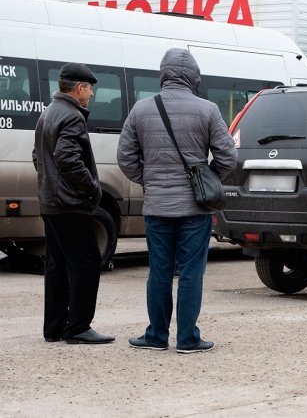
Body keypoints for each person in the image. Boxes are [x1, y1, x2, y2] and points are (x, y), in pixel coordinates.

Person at [117, 48, 237, 354]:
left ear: (163, 74)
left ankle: (156, 336)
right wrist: (207, 178)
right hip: (194, 207)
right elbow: (228, 157)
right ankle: (187, 339)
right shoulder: (208, 110)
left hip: (156, 207)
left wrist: (148, 180)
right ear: (193, 76)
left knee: (159, 271)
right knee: (191, 272)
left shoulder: (141, 110)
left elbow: (125, 157)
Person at [32, 63, 115, 345]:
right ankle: (78, 326)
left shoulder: (48, 113)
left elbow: (38, 156)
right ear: (79, 88)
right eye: (90, 88)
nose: (91, 94)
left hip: (51, 202)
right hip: (70, 204)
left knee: (57, 263)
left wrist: (49, 181)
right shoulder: (72, 116)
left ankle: (53, 327)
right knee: (87, 262)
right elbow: (67, 158)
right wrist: (91, 189)